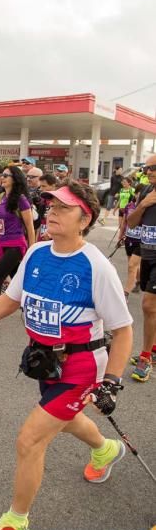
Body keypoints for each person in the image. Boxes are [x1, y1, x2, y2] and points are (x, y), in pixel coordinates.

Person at [0, 181, 133, 530]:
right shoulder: (35, 253)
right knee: (64, 420)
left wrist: (112, 382)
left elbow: (124, 329)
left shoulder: (96, 266)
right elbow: (11, 299)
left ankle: (16, 525)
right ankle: (106, 450)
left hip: (81, 366)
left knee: (30, 439)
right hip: (42, 361)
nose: (50, 212)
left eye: (63, 208)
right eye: (49, 205)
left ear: (85, 219)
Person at [0, 166, 35, 301]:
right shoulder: (4, 198)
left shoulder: (21, 200)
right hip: (3, 244)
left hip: (15, 246)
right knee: (18, 282)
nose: (2, 177)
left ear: (15, 179)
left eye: (6, 175)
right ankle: (31, 302)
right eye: (2, 174)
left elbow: (30, 227)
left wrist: (31, 249)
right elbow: (0, 223)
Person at [127, 154, 156, 381]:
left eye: (153, 168)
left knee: (148, 306)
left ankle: (146, 357)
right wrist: (144, 204)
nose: (149, 172)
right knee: (153, 308)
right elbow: (132, 222)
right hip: (147, 254)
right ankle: (152, 349)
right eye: (146, 169)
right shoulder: (146, 192)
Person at [118, 184, 143, 301]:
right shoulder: (129, 206)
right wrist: (120, 236)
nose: (141, 196)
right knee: (132, 266)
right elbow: (124, 223)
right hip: (129, 239)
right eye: (140, 193)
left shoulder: (148, 208)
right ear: (136, 193)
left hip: (141, 242)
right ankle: (138, 280)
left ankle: (125, 294)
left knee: (132, 265)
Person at [37, 174, 57, 241]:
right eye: (40, 186)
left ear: (53, 186)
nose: (41, 189)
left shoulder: (59, 202)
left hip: (55, 238)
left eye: (44, 186)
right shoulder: (43, 200)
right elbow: (40, 221)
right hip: (42, 237)